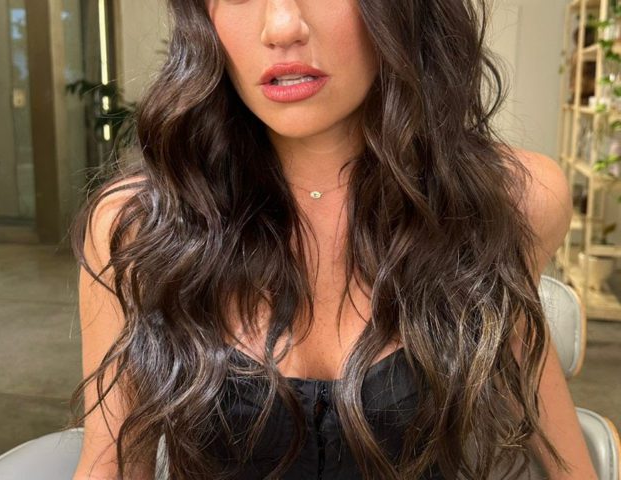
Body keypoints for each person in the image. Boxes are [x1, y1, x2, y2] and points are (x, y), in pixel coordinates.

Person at [68, 0, 598, 479]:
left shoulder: (509, 202)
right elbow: (109, 466)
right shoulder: (135, 232)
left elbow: (529, 387)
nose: (281, 27)